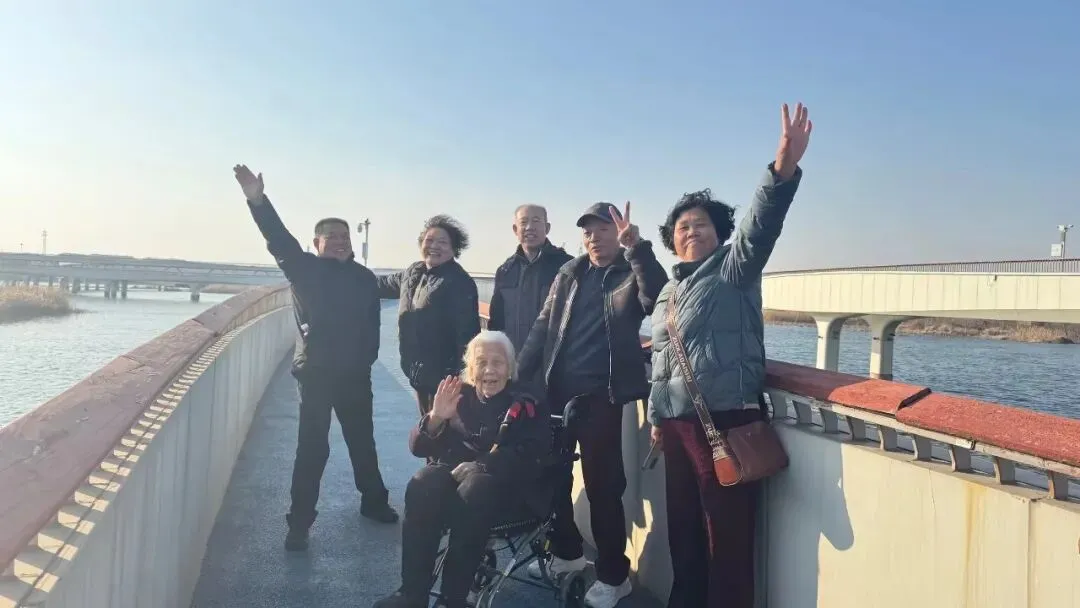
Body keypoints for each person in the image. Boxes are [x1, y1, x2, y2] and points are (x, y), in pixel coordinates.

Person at [646, 103, 813, 608]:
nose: (690, 231)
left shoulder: (733, 270)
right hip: (677, 427)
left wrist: (781, 170)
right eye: (681, 227)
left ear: (719, 232)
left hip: (724, 421)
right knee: (684, 534)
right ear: (672, 241)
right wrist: (657, 419)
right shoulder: (667, 292)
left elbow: (761, 226)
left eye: (700, 224)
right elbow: (662, 363)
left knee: (728, 540)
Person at [233, 164, 398, 553]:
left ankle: (374, 502)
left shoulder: (364, 278)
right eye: (332, 237)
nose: (341, 241)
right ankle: (299, 523)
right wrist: (257, 200)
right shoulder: (303, 268)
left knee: (362, 442)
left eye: (345, 236)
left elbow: (384, 307)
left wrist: (366, 359)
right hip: (317, 376)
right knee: (312, 449)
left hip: (355, 375)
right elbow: (277, 237)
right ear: (316, 242)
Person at [518, 201, 668, 608]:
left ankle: (614, 577)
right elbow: (543, 326)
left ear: (617, 234)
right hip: (556, 393)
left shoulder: (628, 272)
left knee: (603, 487)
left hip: (602, 397)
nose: (594, 237)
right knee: (552, 476)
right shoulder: (570, 273)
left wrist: (637, 249)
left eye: (603, 229)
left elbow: (656, 299)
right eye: (587, 231)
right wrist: (516, 376)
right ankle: (567, 553)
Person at [373, 331, 550, 608]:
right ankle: (412, 595)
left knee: (475, 488)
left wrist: (481, 464)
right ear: (470, 368)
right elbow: (418, 448)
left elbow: (533, 453)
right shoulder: (459, 395)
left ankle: (453, 599)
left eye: (497, 362)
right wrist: (435, 418)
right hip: (455, 484)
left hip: (507, 493)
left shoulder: (528, 401)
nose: (489, 370)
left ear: (510, 368)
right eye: (481, 362)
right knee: (422, 482)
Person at [377, 215, 481, 416]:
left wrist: (459, 381)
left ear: (454, 248)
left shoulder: (460, 282)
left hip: (444, 381)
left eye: (442, 242)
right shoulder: (414, 272)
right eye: (429, 240)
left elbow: (468, 336)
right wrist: (345, 276)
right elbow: (381, 285)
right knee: (427, 426)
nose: (434, 246)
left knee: (442, 430)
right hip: (418, 374)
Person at [487, 204, 572, 389]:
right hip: (513, 367)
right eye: (523, 222)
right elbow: (496, 323)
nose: (529, 227)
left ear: (547, 227)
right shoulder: (505, 271)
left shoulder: (567, 267)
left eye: (536, 221)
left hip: (553, 368)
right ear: (515, 229)